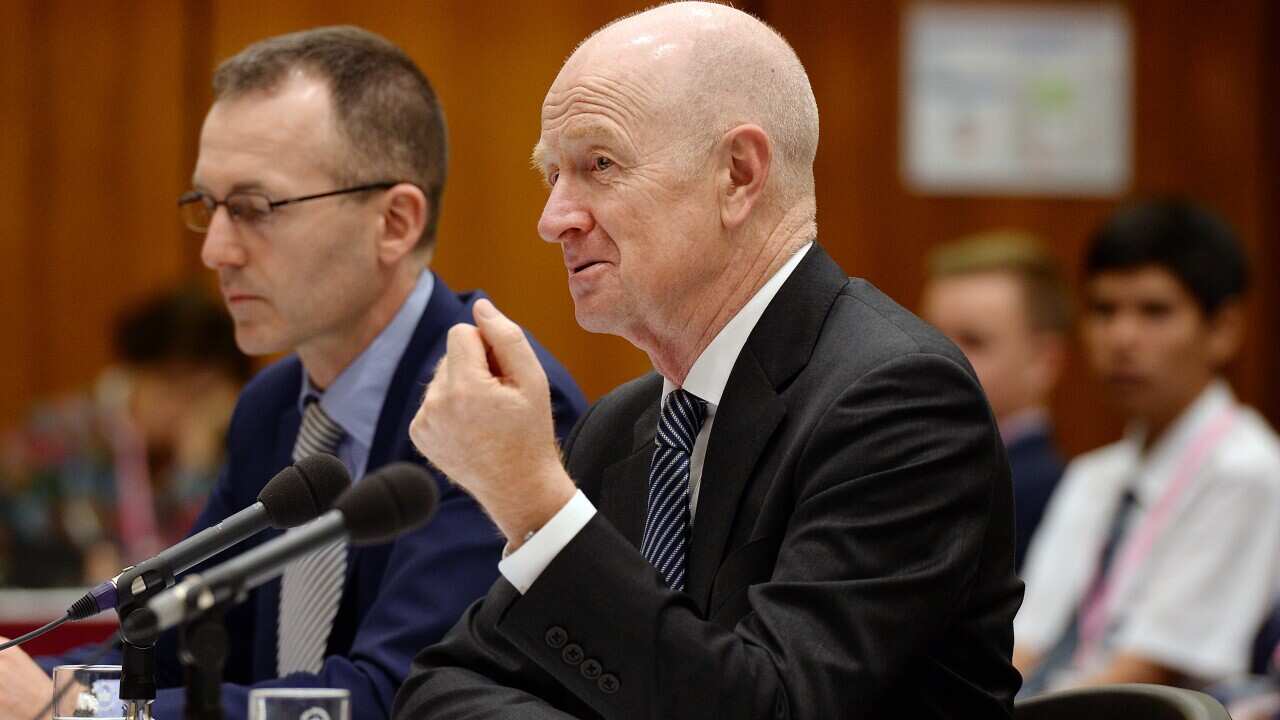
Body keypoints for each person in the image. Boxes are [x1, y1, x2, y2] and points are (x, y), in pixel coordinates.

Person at [394, 4, 1022, 718]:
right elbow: (440, 692)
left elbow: (773, 708)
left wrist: (536, 504)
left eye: (599, 165)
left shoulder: (898, 401)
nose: (554, 218)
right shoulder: (626, 425)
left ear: (738, 173)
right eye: (552, 176)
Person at [0, 26, 586, 720]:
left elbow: (391, 699)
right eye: (206, 208)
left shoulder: (497, 404)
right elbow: (166, 641)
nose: (217, 250)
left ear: (395, 222)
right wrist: (39, 688)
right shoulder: (273, 405)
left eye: (253, 209)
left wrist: (73, 712)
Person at [1014, 199, 1280, 695]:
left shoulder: (1247, 469)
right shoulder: (1095, 475)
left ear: (1223, 329)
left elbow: (1150, 671)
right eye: (1104, 310)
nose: (1122, 337)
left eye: (1155, 311)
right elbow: (1025, 645)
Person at [0, 285, 249, 588]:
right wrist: (81, 566)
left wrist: (194, 470)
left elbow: (213, 559)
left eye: (205, 394)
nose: (186, 409)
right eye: (172, 386)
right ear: (134, 373)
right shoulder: (57, 439)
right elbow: (19, 544)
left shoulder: (231, 447)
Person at [921, 231, 1071, 571]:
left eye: (973, 341)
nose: (940, 360)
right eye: (928, 337)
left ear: (1043, 361)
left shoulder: (1054, 498)